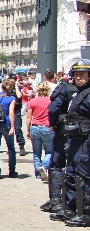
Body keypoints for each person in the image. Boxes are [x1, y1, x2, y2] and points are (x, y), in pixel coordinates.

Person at [59, 60, 90, 227]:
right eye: (77, 74)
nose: (79, 77)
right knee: (70, 174)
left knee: (84, 178)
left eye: (82, 74)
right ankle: (70, 208)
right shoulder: (80, 93)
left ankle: (86, 213)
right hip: (75, 141)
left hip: (85, 142)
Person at [45, 74, 77, 220]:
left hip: (64, 131)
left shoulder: (65, 88)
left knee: (57, 164)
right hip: (80, 134)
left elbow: (53, 108)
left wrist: (53, 124)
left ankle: (57, 200)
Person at [0, 78, 18, 179]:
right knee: (11, 148)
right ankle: (12, 171)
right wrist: (13, 127)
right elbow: (11, 113)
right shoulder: (11, 99)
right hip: (7, 123)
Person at [26, 83, 53, 181]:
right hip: (47, 127)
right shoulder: (51, 101)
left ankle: (38, 174)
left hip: (35, 127)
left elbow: (29, 117)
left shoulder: (33, 101)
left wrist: (28, 130)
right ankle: (44, 166)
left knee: (36, 153)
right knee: (50, 151)